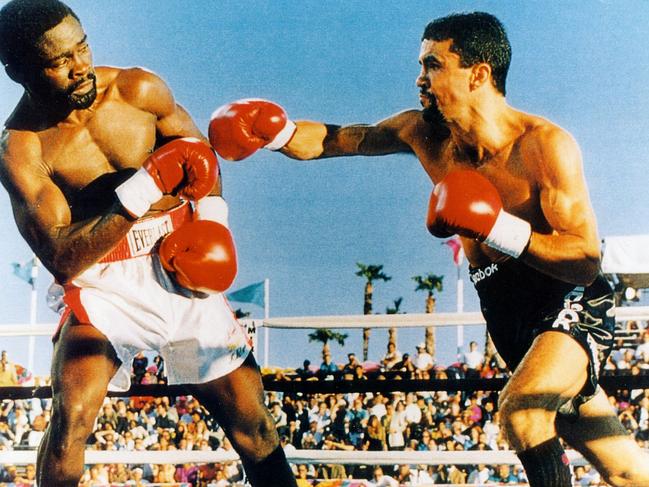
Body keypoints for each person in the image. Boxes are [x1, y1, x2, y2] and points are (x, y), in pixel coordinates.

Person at [208, 11, 649, 486]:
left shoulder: (544, 146)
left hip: (567, 302)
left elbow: (584, 261)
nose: (420, 78)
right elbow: (343, 138)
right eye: (421, 65)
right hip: (507, 315)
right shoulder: (423, 132)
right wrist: (276, 133)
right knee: (625, 471)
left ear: (478, 74)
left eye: (434, 65)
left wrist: (495, 226)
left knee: (522, 413)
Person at [0, 1, 297, 486]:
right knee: (70, 420)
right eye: (60, 62)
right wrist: (142, 188)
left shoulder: (137, 89)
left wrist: (214, 222)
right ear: (19, 72)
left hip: (175, 256)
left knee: (255, 431)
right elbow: (59, 254)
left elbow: (199, 156)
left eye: (83, 47)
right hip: (101, 279)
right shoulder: (21, 148)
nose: (82, 68)